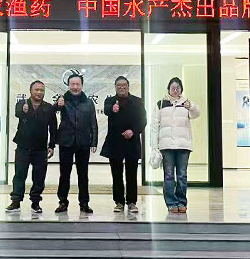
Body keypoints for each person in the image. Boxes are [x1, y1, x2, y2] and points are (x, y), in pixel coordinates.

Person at [5, 80, 57, 214]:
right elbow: (17, 113)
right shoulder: (22, 104)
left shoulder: (48, 108)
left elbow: (53, 128)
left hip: (40, 149)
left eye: (41, 90)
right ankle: (16, 201)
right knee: (19, 175)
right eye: (36, 90)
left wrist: (51, 145)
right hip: (23, 147)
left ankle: (35, 202)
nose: (39, 92)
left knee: (39, 177)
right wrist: (23, 111)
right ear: (30, 91)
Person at [152, 77, 200, 214]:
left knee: (182, 175)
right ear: (168, 89)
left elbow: (196, 114)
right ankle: (171, 203)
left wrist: (191, 106)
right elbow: (154, 126)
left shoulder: (186, 103)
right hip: (166, 145)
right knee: (168, 175)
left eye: (177, 88)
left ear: (181, 90)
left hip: (183, 145)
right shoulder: (161, 104)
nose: (175, 90)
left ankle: (182, 202)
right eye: (173, 88)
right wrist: (154, 146)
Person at [100, 76, 147, 213]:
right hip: (115, 143)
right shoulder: (110, 101)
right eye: (119, 85)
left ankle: (132, 202)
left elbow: (143, 120)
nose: (121, 87)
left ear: (128, 86)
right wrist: (112, 109)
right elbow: (106, 110)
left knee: (132, 174)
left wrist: (133, 131)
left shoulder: (137, 101)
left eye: (124, 85)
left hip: (132, 142)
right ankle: (119, 202)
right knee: (116, 174)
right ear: (115, 87)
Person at [55, 73, 98, 214]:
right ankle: (62, 202)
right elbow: (53, 111)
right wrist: (58, 105)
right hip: (66, 142)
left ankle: (84, 203)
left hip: (83, 142)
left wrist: (94, 141)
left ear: (82, 85)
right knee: (64, 174)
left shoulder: (88, 102)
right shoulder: (63, 100)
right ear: (68, 85)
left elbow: (93, 123)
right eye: (72, 84)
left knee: (83, 174)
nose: (75, 87)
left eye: (77, 84)